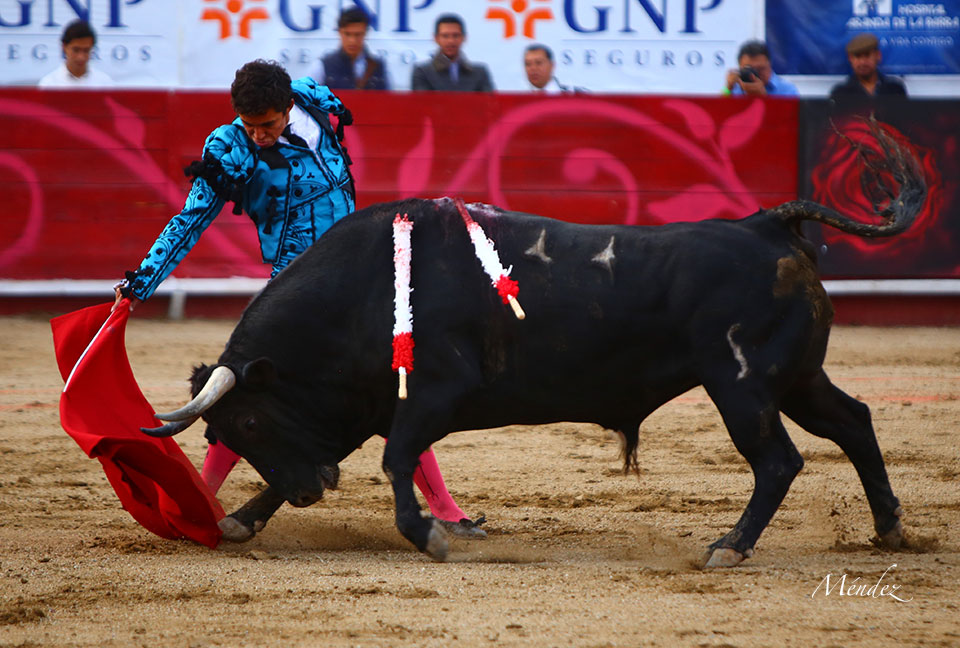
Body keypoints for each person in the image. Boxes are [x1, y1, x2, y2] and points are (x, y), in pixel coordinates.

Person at [114, 59, 484, 538]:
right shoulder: (229, 149)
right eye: (249, 125)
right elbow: (191, 219)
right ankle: (202, 500)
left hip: (362, 283)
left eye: (267, 124)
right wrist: (142, 282)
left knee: (391, 383)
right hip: (295, 296)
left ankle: (445, 508)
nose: (259, 135)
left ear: (288, 106)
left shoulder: (313, 100)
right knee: (243, 390)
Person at [411, 13, 494, 92]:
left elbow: (490, 104)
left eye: (456, 35)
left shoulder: (479, 73)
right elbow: (422, 104)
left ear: (464, 38)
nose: (451, 41)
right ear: (436, 38)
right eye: (445, 36)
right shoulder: (423, 72)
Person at [313, 6, 390, 90]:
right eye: (347, 34)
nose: (352, 40)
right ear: (339, 33)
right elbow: (304, 100)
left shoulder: (379, 67)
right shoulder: (322, 66)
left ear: (365, 33)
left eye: (358, 34)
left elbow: (391, 101)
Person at [38, 19, 113, 88]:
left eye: (86, 50)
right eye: (76, 50)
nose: (81, 57)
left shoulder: (104, 83)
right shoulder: (49, 84)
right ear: (64, 47)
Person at [830, 33, 907, 99]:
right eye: (858, 56)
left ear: (878, 56)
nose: (863, 62)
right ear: (850, 59)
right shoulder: (841, 93)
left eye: (867, 55)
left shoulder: (895, 90)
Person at [723, 40, 798, 97]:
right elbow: (717, 112)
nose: (755, 74)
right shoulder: (736, 88)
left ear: (769, 65)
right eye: (749, 69)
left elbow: (787, 117)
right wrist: (728, 87)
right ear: (739, 68)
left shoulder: (787, 90)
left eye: (761, 69)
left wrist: (763, 96)